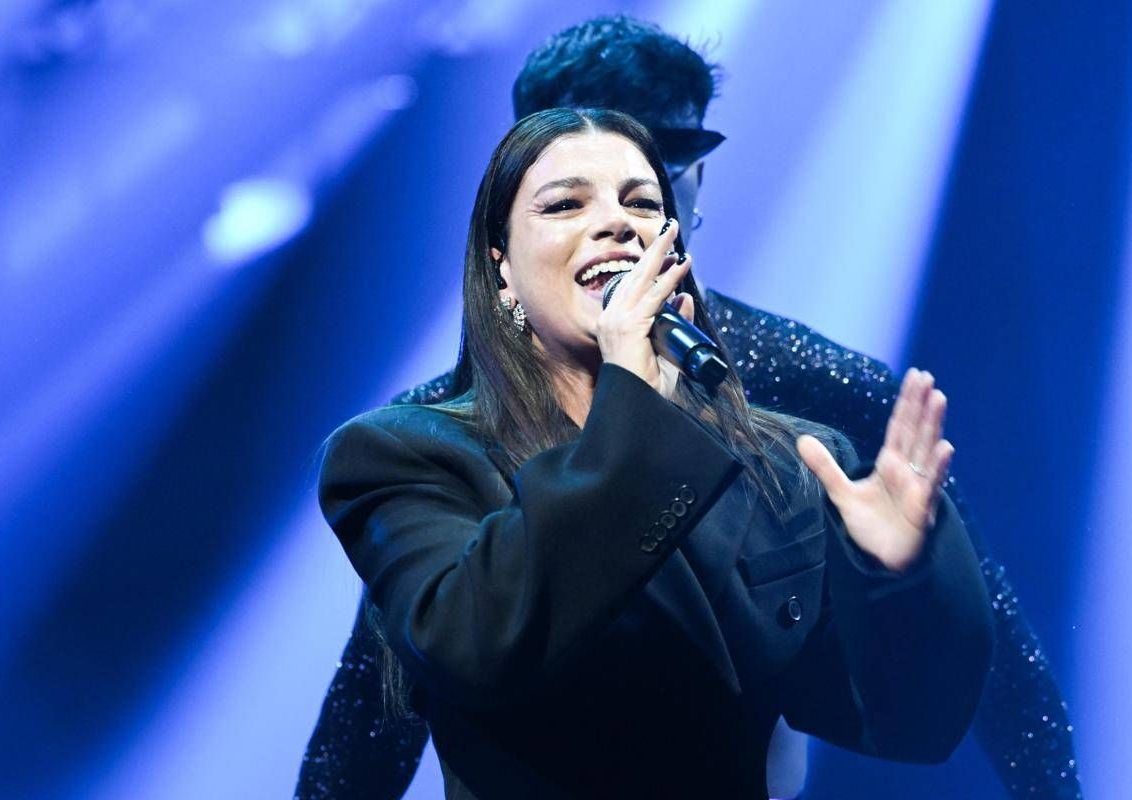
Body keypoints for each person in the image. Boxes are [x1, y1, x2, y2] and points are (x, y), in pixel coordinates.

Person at [297, 16, 1081, 800]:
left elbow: (935, 700)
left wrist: (898, 576)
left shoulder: (802, 420)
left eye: (645, 187)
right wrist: (634, 404)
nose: (613, 221)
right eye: (566, 197)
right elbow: (390, 694)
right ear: (500, 233)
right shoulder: (419, 446)